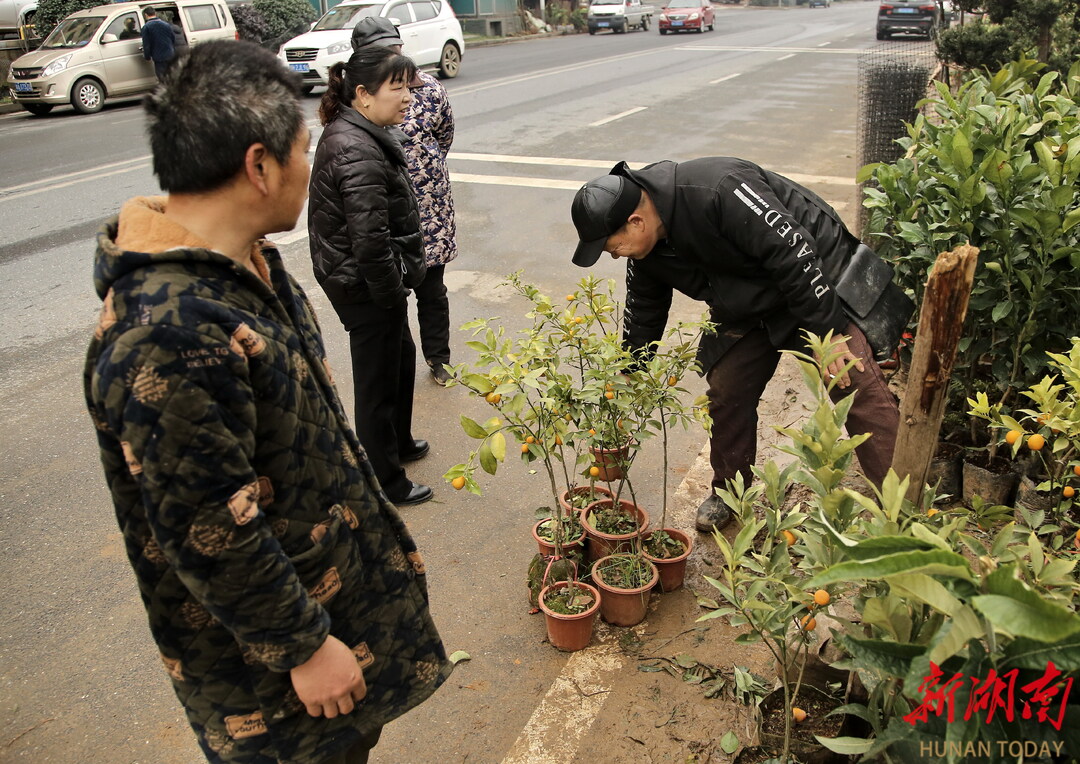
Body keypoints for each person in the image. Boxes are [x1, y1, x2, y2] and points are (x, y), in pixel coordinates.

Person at [84, 40, 449, 764]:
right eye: (303, 149)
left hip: (329, 603)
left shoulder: (248, 265)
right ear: (259, 165)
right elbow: (207, 526)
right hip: (274, 681)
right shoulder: (165, 329)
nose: (311, 167)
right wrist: (304, 647)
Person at [570, 158, 909, 533]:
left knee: (852, 381)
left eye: (612, 246)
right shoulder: (646, 250)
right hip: (747, 299)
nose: (615, 254)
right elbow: (645, 309)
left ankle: (904, 507)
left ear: (637, 222)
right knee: (727, 387)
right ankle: (730, 492)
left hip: (813, 280)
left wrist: (829, 335)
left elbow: (793, 253)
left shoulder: (719, 190)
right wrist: (631, 372)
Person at [307, 46, 433, 506]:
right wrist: (391, 292)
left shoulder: (363, 131)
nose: (407, 97)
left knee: (399, 356)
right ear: (362, 94)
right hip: (362, 282)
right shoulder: (355, 146)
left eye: (408, 86)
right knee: (377, 378)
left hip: (371, 277)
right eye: (396, 87)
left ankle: (398, 443)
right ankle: (385, 480)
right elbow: (369, 240)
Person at [350, 17, 458, 386]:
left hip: (428, 208)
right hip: (381, 211)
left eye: (392, 48)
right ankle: (398, 365)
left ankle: (438, 358)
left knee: (432, 289)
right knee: (389, 294)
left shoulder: (427, 87)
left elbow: (444, 134)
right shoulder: (357, 96)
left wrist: (424, 173)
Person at [140, 6, 175, 81]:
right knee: (171, 75)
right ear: (155, 13)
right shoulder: (166, 25)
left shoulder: (146, 27)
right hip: (170, 54)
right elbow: (172, 38)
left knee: (161, 76)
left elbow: (146, 44)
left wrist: (147, 56)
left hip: (158, 56)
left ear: (145, 15)